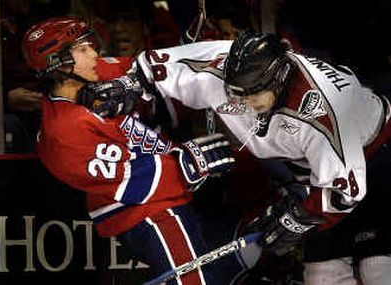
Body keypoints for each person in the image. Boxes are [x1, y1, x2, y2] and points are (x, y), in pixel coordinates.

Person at [78, 30, 391, 283]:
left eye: (253, 94)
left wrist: (295, 218)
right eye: (236, 92)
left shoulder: (323, 108)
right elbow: (164, 67)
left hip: (379, 155)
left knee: (380, 268)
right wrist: (131, 84)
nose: (242, 102)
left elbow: (345, 192)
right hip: (311, 166)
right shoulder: (227, 64)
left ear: (279, 80)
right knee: (322, 276)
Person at [21, 16, 266, 285]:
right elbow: (134, 180)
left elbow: (148, 72)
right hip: (149, 213)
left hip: (177, 196)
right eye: (81, 50)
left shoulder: (96, 74)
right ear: (57, 66)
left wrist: (182, 57)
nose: (94, 53)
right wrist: (190, 163)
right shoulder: (62, 135)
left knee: (227, 265)